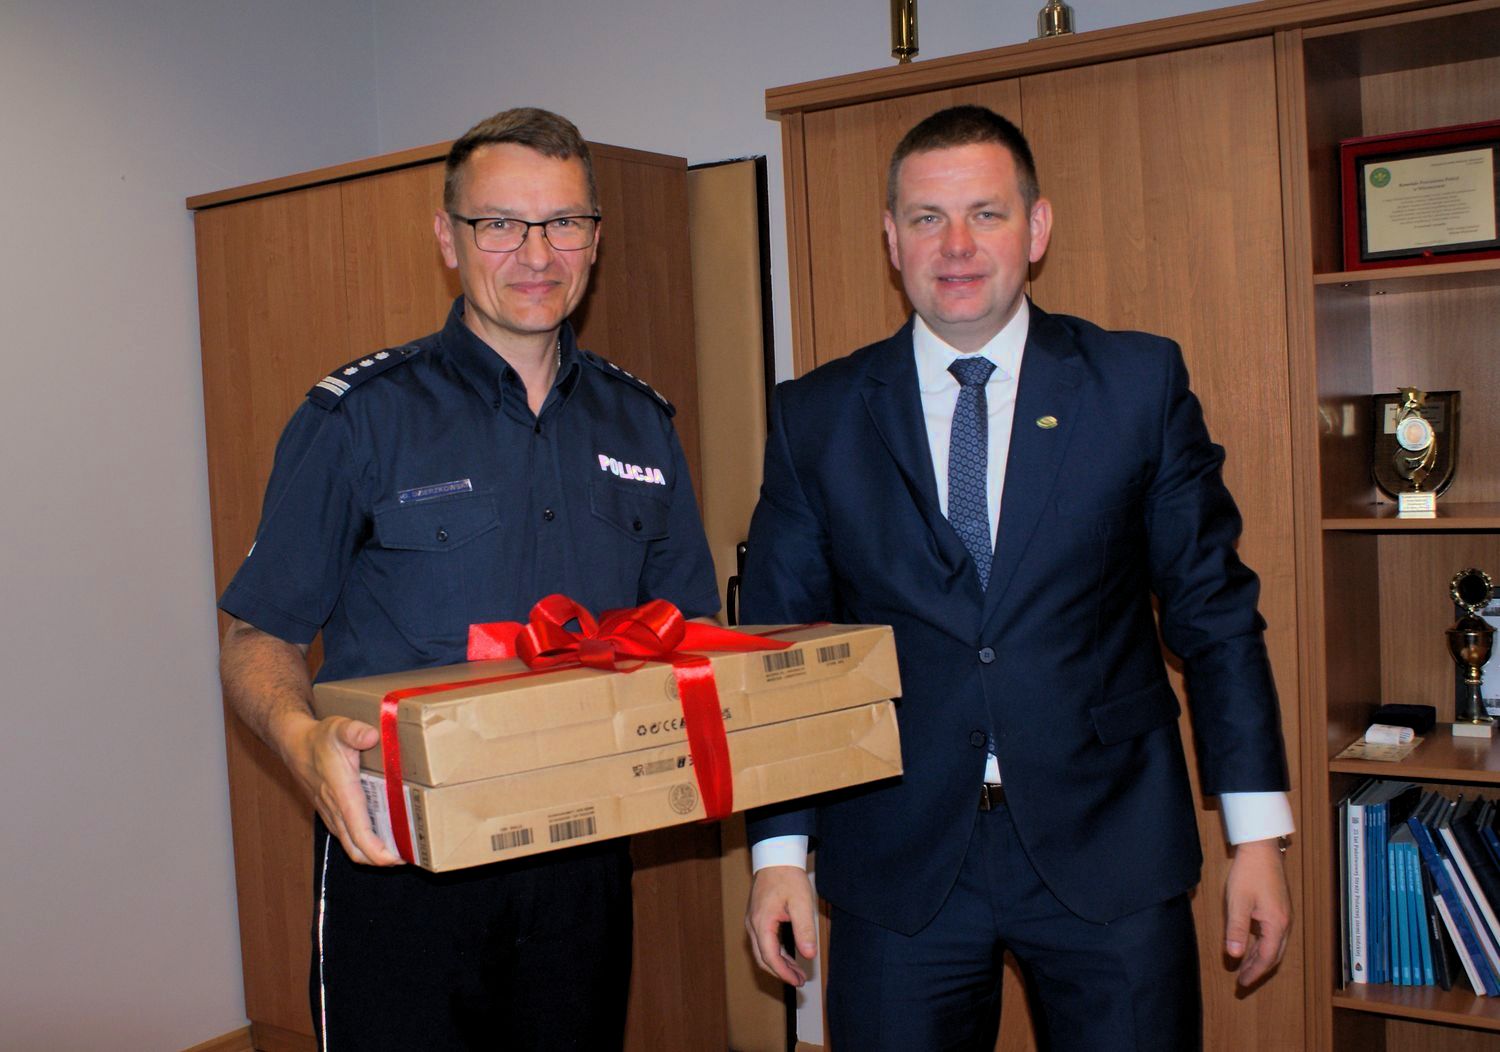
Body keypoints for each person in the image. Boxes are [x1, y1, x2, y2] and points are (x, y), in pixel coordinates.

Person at [741, 105, 1293, 1051]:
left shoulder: (1136, 384)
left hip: (1110, 849)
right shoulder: (816, 416)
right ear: (891, 240)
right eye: (926, 218)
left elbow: (1214, 615)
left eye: (985, 214)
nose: (955, 246)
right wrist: (780, 851)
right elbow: (781, 645)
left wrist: (1256, 836)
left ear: (1036, 229)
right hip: (900, 858)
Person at [217, 107, 718, 1051]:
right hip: (399, 861)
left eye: (563, 222)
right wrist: (299, 739)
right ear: (448, 239)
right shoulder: (359, 418)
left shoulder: (641, 423)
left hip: (583, 858)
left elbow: (688, 636)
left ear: (596, 239)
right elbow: (258, 635)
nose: (536, 253)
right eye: (500, 224)